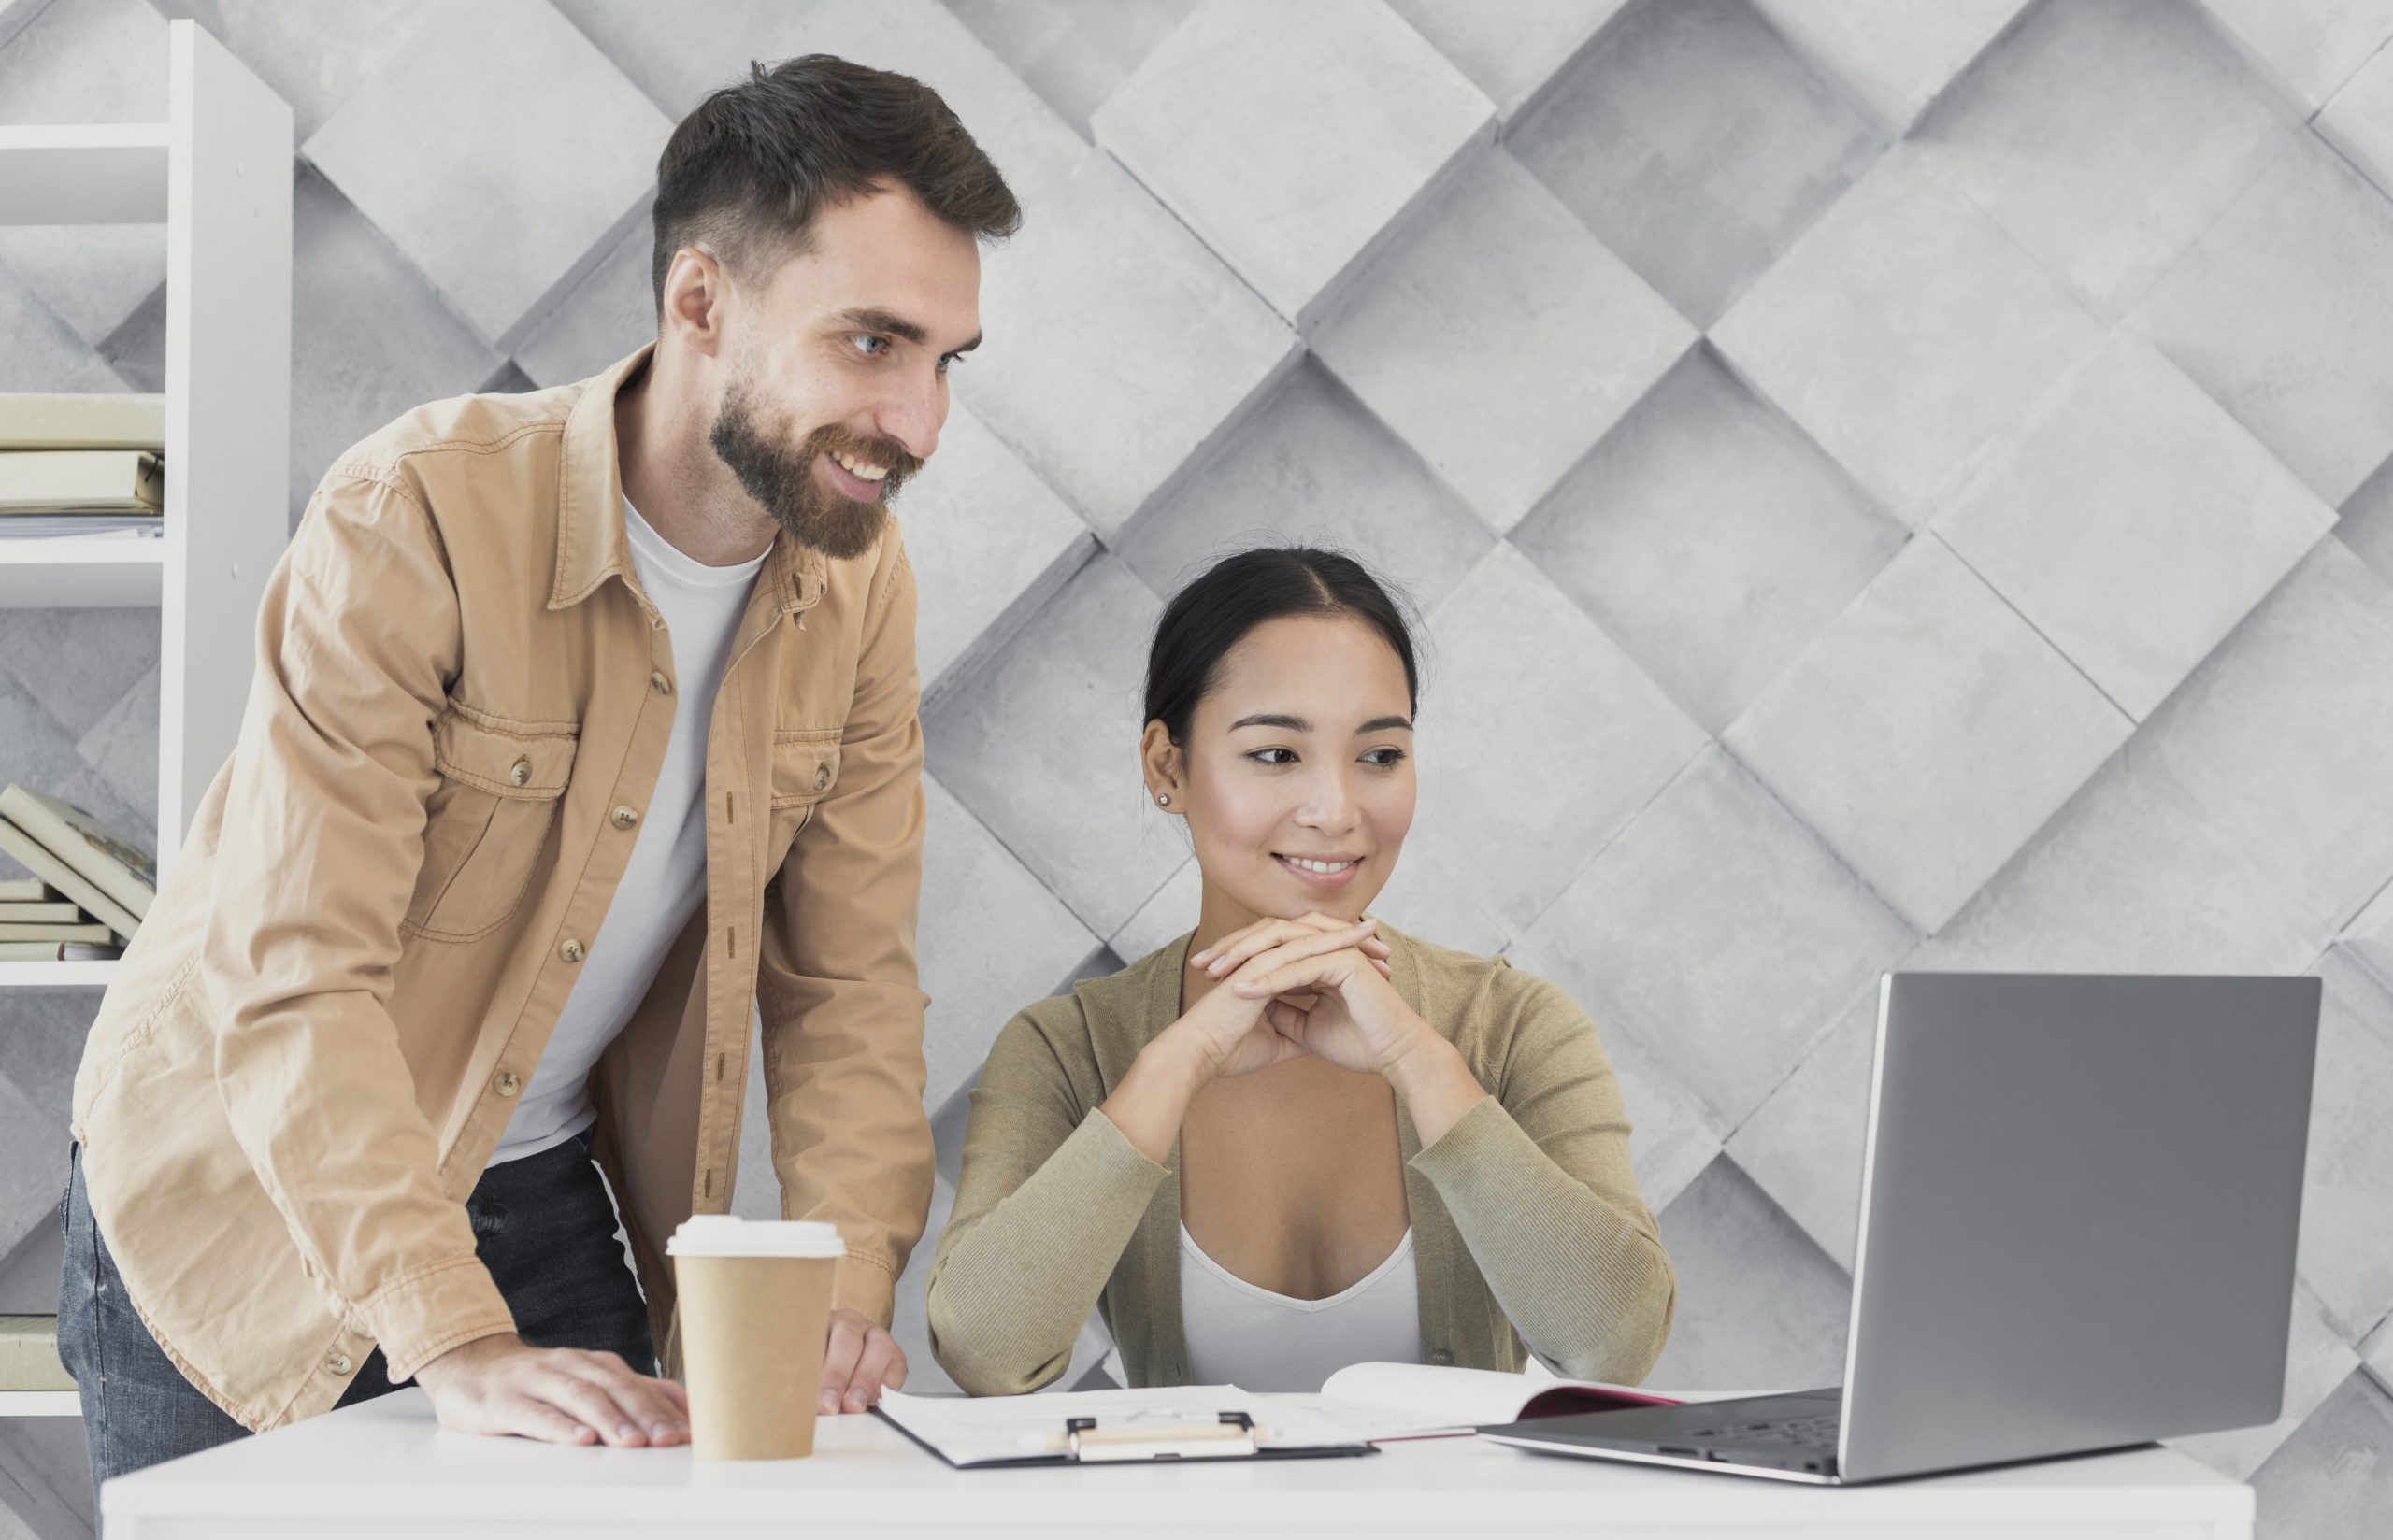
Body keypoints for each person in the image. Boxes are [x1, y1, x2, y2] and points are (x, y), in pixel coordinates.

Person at [56, 53, 1015, 1498]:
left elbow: (850, 990)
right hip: (242, 1204)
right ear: (701, 303)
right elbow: (297, 972)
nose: (921, 421)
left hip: (537, 1187)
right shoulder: (418, 515)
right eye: (872, 344)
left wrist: (846, 1275)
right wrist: (453, 1341)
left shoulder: (858, 589)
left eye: (945, 360)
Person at [924, 548, 1678, 1396]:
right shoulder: (1067, 1049)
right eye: (1277, 755)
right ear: (1166, 767)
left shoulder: (1515, 1026)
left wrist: (1423, 1065)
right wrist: (1172, 1067)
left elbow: (1616, 1345)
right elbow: (983, 1351)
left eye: (1380, 755)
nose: (1336, 812)